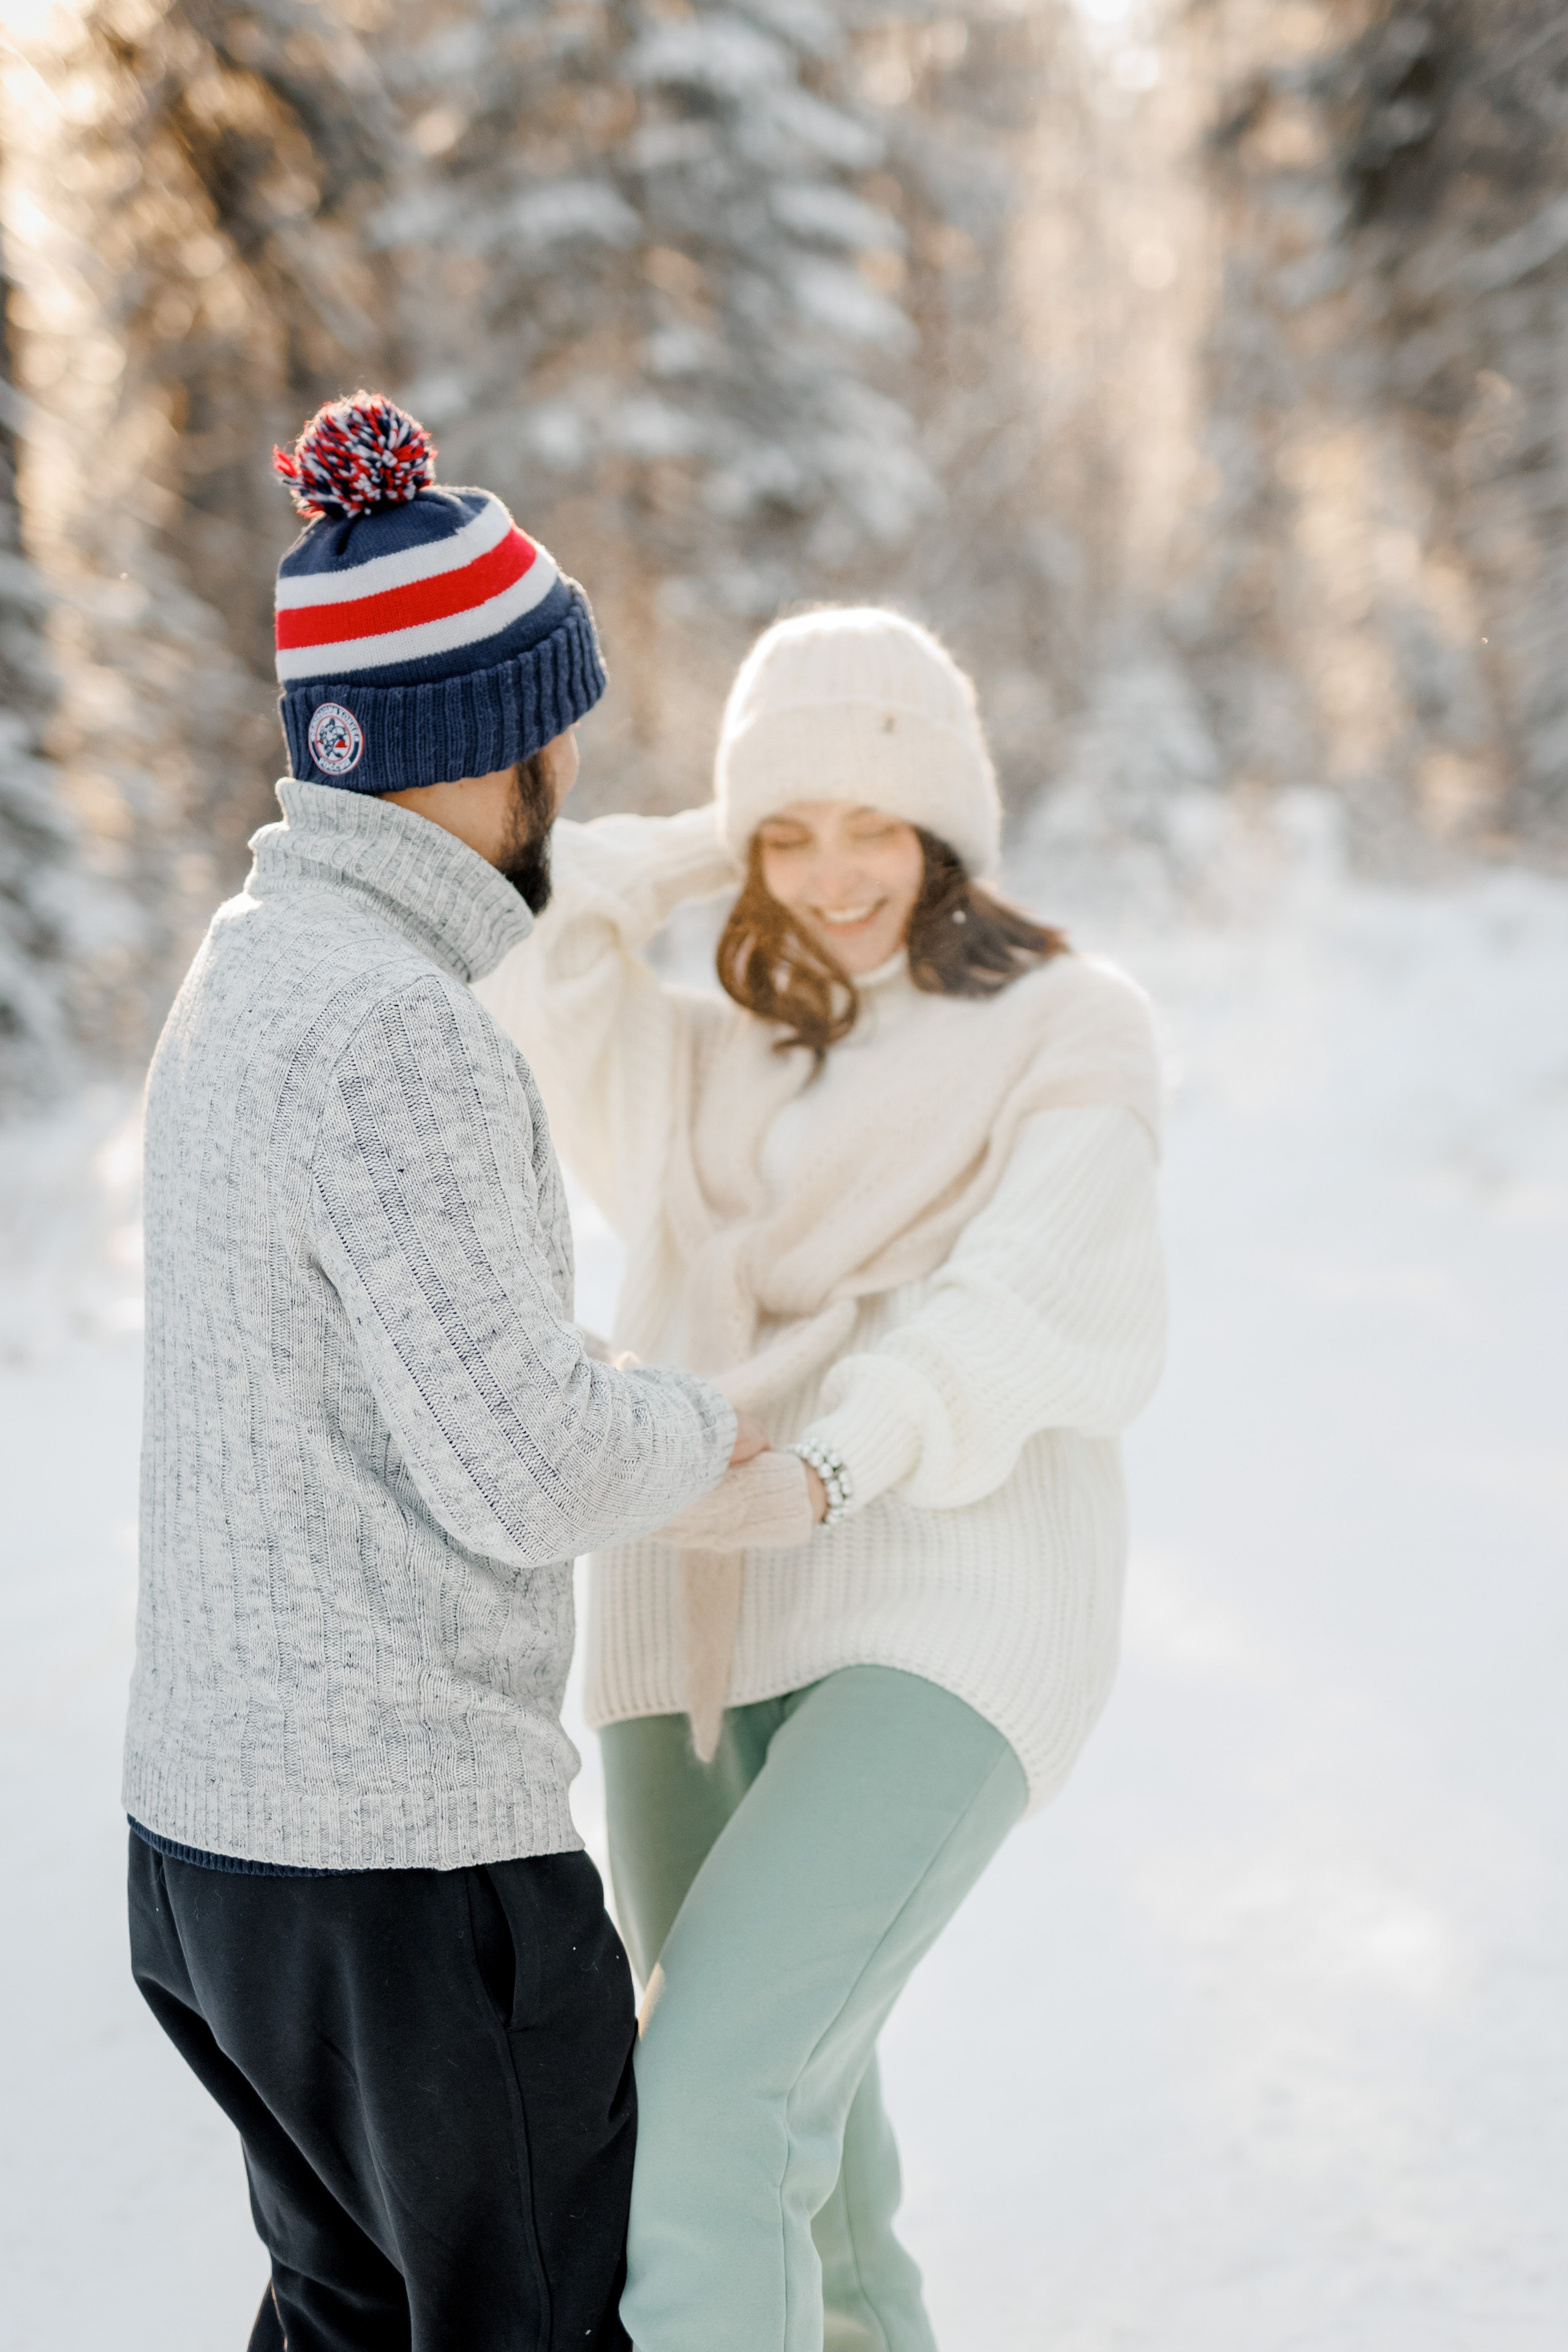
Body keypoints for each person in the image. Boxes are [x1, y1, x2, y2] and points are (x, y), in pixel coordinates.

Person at [123, 392, 766, 2352]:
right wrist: (709, 1427)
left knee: (348, 2316)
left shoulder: (247, 969)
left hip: (217, 1867)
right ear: (492, 742)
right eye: (554, 722)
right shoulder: (399, 1031)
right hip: (405, 1870)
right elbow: (532, 1470)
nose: (569, 762)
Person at [477, 605, 1168, 2352]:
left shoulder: (1070, 1023)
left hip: (940, 1579)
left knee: (710, 2106)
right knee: (812, 2180)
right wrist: (725, 822)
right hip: (691, 1595)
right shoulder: (715, 1041)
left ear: (949, 825)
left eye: (878, 820)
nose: (836, 870)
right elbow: (531, 942)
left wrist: (841, 1467)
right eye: (793, 830)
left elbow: (1039, 1297)